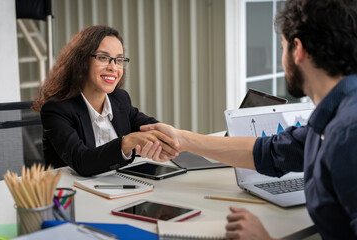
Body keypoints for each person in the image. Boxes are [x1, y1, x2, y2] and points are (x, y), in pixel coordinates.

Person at [139, 0, 357, 239]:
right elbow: (271, 152)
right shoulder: (332, 119)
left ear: (299, 49)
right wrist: (180, 139)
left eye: (282, 47)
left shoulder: (348, 132)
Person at [33, 25, 177, 177]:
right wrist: (129, 141)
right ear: (81, 61)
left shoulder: (120, 100)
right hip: (72, 194)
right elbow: (82, 162)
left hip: (121, 188)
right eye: (103, 57)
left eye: (119, 60)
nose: (113, 67)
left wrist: (166, 139)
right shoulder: (57, 109)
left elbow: (150, 128)